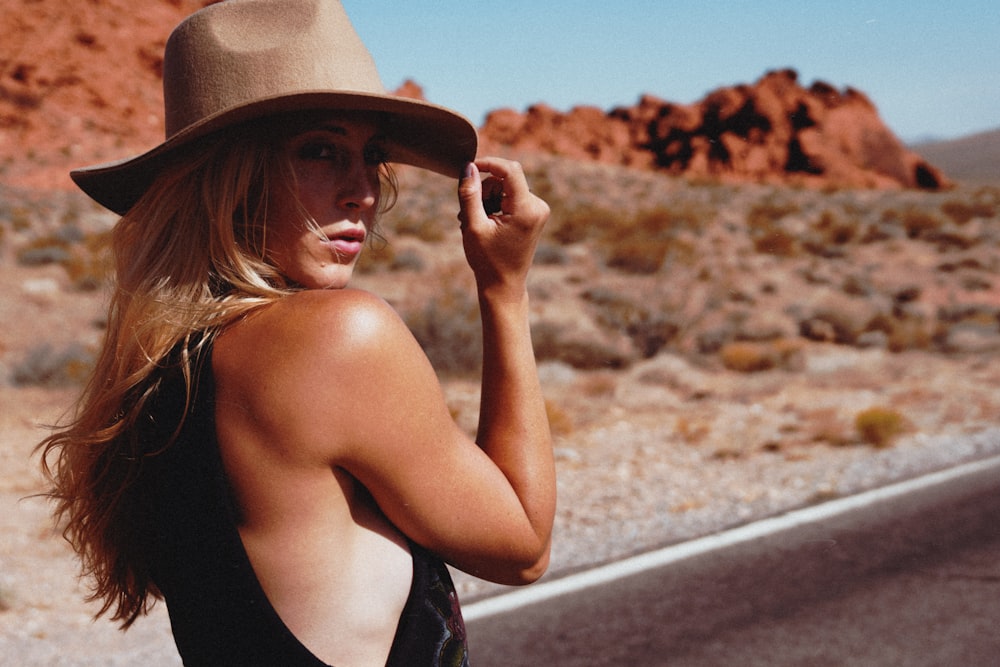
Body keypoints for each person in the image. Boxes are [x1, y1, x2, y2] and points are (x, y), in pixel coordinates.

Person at [36, 1, 555, 665]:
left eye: (370, 155)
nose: (362, 191)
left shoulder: (159, 371)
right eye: (319, 150)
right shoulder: (337, 338)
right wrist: (504, 290)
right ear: (229, 175)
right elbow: (524, 548)